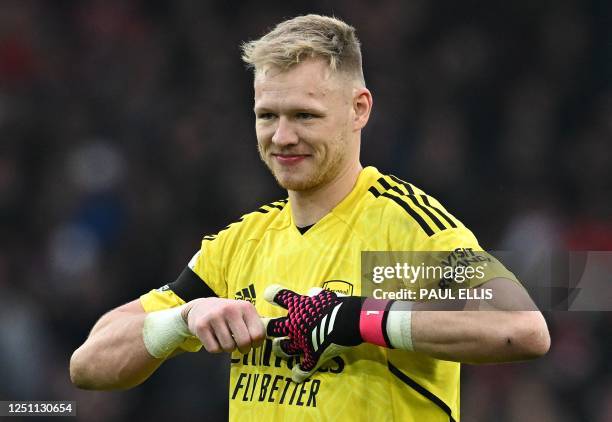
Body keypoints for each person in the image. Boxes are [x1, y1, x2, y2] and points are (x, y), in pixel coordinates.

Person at [70, 14, 550, 421]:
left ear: (359, 109)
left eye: (304, 115)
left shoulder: (397, 230)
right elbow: (87, 365)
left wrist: (361, 318)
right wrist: (183, 318)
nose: (281, 137)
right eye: (266, 115)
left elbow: (521, 326)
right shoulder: (241, 244)